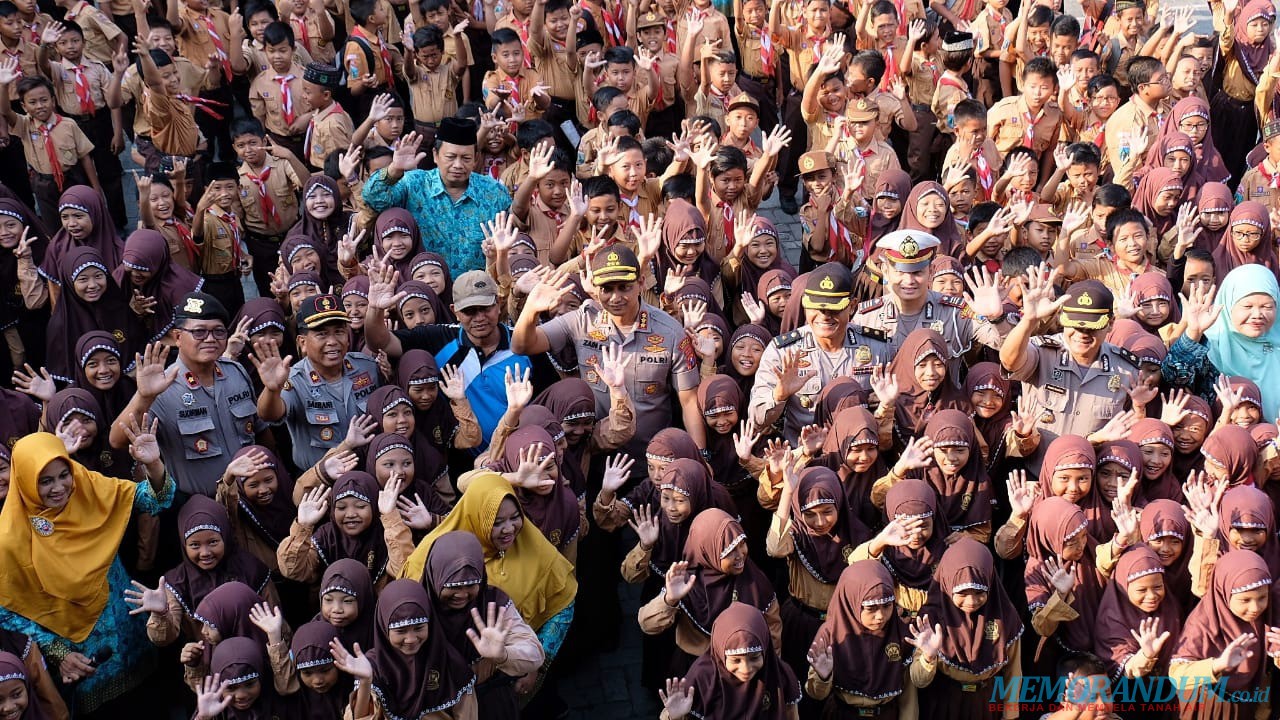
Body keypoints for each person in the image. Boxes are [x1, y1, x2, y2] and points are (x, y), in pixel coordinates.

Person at [0, 430, 173, 714]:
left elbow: (156, 500)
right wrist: (59, 653)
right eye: (45, 481)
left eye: (63, 475)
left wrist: (154, 464)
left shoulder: (87, 488)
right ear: (24, 481)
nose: (59, 488)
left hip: (128, 631)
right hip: (83, 658)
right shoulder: (9, 537)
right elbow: (6, 611)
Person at [512, 245, 704, 457]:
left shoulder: (670, 331)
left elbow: (689, 402)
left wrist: (701, 456)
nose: (615, 297)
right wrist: (530, 309)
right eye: (607, 289)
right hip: (595, 456)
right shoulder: (582, 321)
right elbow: (522, 345)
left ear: (640, 283)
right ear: (596, 287)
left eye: (624, 287)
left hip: (652, 460)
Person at [364, 264, 532, 446]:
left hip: (519, 454)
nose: (479, 317)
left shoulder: (525, 342)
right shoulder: (438, 338)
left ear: (498, 304)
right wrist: (374, 309)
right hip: (461, 460)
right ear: (455, 312)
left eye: (485, 308)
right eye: (469, 311)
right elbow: (381, 342)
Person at [362, 120, 513, 275]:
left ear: (476, 159)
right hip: (425, 290)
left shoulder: (495, 192)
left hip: (477, 294)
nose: (458, 165)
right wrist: (394, 169)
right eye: (451, 157)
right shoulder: (413, 183)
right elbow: (371, 198)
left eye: (466, 158)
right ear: (435, 155)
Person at [748, 263, 875, 442]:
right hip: (803, 457)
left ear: (852, 306)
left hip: (858, 452)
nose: (824, 316)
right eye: (815, 307)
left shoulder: (876, 347)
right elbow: (757, 418)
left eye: (834, 308)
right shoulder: (783, 351)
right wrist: (779, 395)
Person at [255, 294, 381, 469]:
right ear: (303, 342)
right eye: (322, 334)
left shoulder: (367, 367)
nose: (332, 342)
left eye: (339, 332)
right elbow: (270, 415)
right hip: (319, 481)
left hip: (369, 472)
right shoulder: (294, 379)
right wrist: (272, 389)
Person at [1165, 264, 1280, 419]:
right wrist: (1193, 332)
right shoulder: (1209, 345)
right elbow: (1173, 379)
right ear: (1228, 305)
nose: (1257, 314)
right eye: (1247, 306)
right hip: (1220, 439)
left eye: (1267, 307)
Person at [658, 602, 802, 720]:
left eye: (754, 658)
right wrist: (674, 717)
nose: (746, 669)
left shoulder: (780, 676)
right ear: (720, 653)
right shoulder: (702, 680)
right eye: (736, 660)